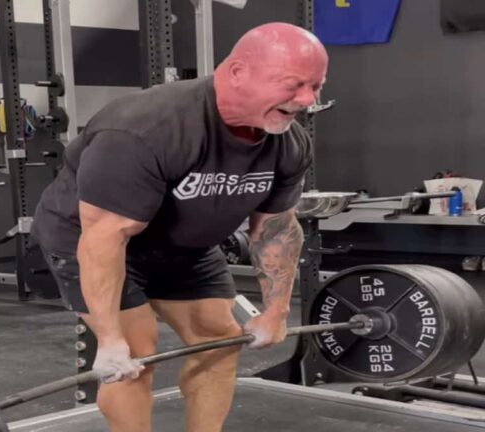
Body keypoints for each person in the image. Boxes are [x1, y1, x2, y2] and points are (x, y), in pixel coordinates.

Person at [31, 22, 328, 432]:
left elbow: (276, 229)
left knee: (219, 340)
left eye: (316, 86)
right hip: (94, 238)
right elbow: (104, 235)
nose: (308, 100)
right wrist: (110, 339)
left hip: (184, 246)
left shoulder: (289, 144)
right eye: (294, 85)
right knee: (134, 355)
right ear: (239, 71)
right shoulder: (146, 129)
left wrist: (276, 312)